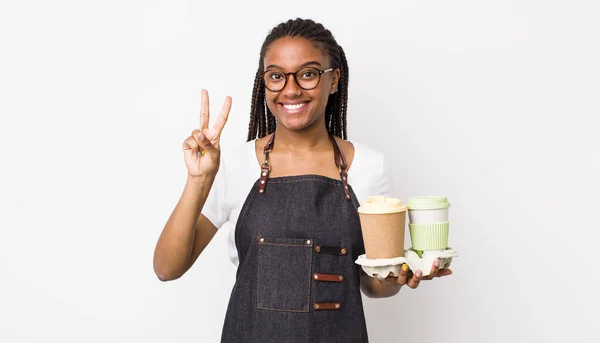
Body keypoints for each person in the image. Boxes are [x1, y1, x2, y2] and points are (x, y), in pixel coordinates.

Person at [153, 18, 452, 342]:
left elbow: (372, 284)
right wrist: (198, 181)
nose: (291, 89)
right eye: (277, 76)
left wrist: (396, 277)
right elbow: (167, 268)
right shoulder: (234, 164)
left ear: (334, 79)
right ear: (264, 82)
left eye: (308, 74)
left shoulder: (369, 166)